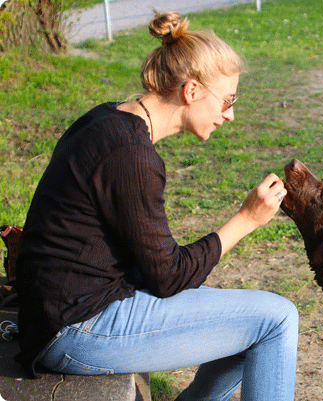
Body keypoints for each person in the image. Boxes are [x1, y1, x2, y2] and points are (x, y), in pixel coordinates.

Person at [15, 11, 298, 401]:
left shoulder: (108, 119)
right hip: (75, 329)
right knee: (278, 319)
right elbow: (167, 278)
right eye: (228, 100)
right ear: (192, 91)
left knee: (250, 316)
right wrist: (247, 219)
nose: (230, 114)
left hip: (62, 312)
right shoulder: (132, 155)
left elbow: (154, 266)